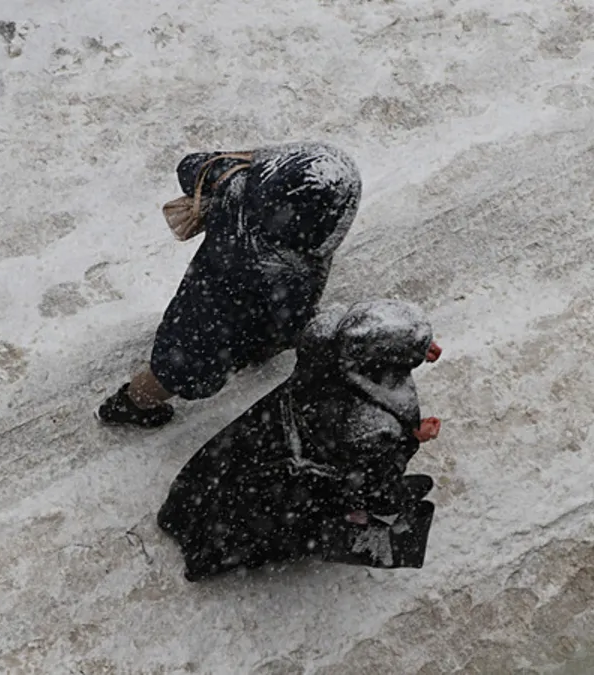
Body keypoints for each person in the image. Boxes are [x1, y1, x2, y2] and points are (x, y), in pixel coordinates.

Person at [155, 299, 443, 582]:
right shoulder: (371, 424)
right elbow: (368, 483)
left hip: (269, 431)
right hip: (300, 471)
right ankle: (208, 556)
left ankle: (181, 515)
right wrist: (412, 439)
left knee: (226, 476)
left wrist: (410, 348)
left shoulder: (324, 336)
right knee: (268, 519)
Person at [95, 142, 362, 428]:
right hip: (229, 327)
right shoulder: (290, 267)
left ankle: (136, 400)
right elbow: (291, 319)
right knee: (180, 368)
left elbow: (191, 166)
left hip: (203, 292)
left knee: (180, 353)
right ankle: (131, 405)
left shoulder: (237, 187)